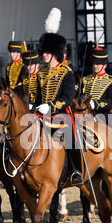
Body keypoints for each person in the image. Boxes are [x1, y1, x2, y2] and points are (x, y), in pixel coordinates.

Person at [34, 30, 84, 186]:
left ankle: (77, 171)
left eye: (47, 52)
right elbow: (38, 95)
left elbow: (67, 99)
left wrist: (49, 106)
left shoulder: (67, 73)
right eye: (43, 52)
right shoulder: (41, 73)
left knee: (71, 138)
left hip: (60, 113)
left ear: (55, 53)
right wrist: (34, 106)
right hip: (41, 113)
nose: (44, 55)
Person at [81, 47, 112, 134]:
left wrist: (95, 104)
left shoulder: (111, 80)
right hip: (85, 112)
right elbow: (81, 95)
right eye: (94, 63)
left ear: (105, 65)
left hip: (103, 113)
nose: (95, 66)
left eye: (98, 64)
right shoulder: (86, 79)